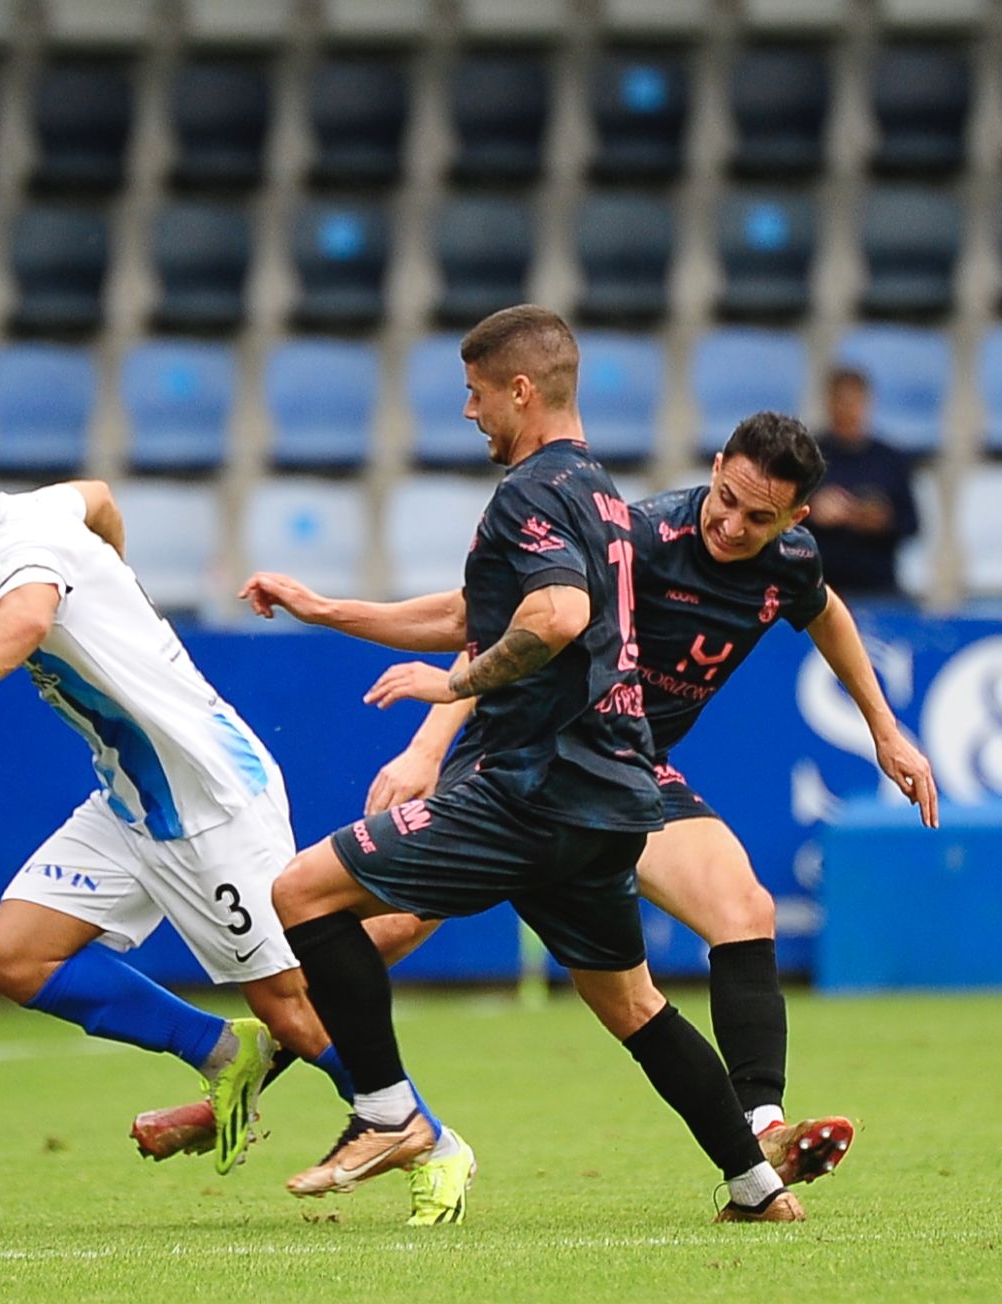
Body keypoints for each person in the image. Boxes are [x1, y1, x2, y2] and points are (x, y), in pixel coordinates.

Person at [133, 412, 940, 1200]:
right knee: (387, 931)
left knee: (743, 906)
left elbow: (826, 610)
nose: (730, 523)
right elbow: (504, 624)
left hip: (625, 772)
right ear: (718, 463)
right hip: (527, 755)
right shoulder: (644, 537)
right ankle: (240, 1083)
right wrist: (426, 746)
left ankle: (762, 1127)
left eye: (758, 517)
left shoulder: (791, 559)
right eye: (725, 497)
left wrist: (885, 730)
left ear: (794, 519)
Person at [204, 305, 807, 1223]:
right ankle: (755, 1185)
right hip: (612, 799)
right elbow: (473, 614)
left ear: (520, 390)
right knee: (636, 1007)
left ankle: (387, 1111)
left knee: (301, 894)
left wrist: (452, 695)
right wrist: (329, 611)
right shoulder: (602, 493)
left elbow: (554, 617)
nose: (470, 411)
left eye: (478, 394)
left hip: (532, 788)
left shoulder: (531, 493)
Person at [0, 417, 354, 1176]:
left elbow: (27, 619)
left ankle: (416, 1128)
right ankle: (217, 1048)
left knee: (292, 1005)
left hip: (205, 797)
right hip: (132, 800)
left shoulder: (20, 549)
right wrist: (115, 586)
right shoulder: (37, 515)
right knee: (13, 957)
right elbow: (101, 499)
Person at [803, 366, 920, 600]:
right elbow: (779, 520)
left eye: (854, 402)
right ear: (829, 403)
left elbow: (912, 524)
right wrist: (813, 512)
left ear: (867, 404)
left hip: (878, 587)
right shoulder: (805, 455)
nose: (848, 411)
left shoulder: (890, 460)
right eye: (842, 402)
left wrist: (882, 521)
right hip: (818, 585)